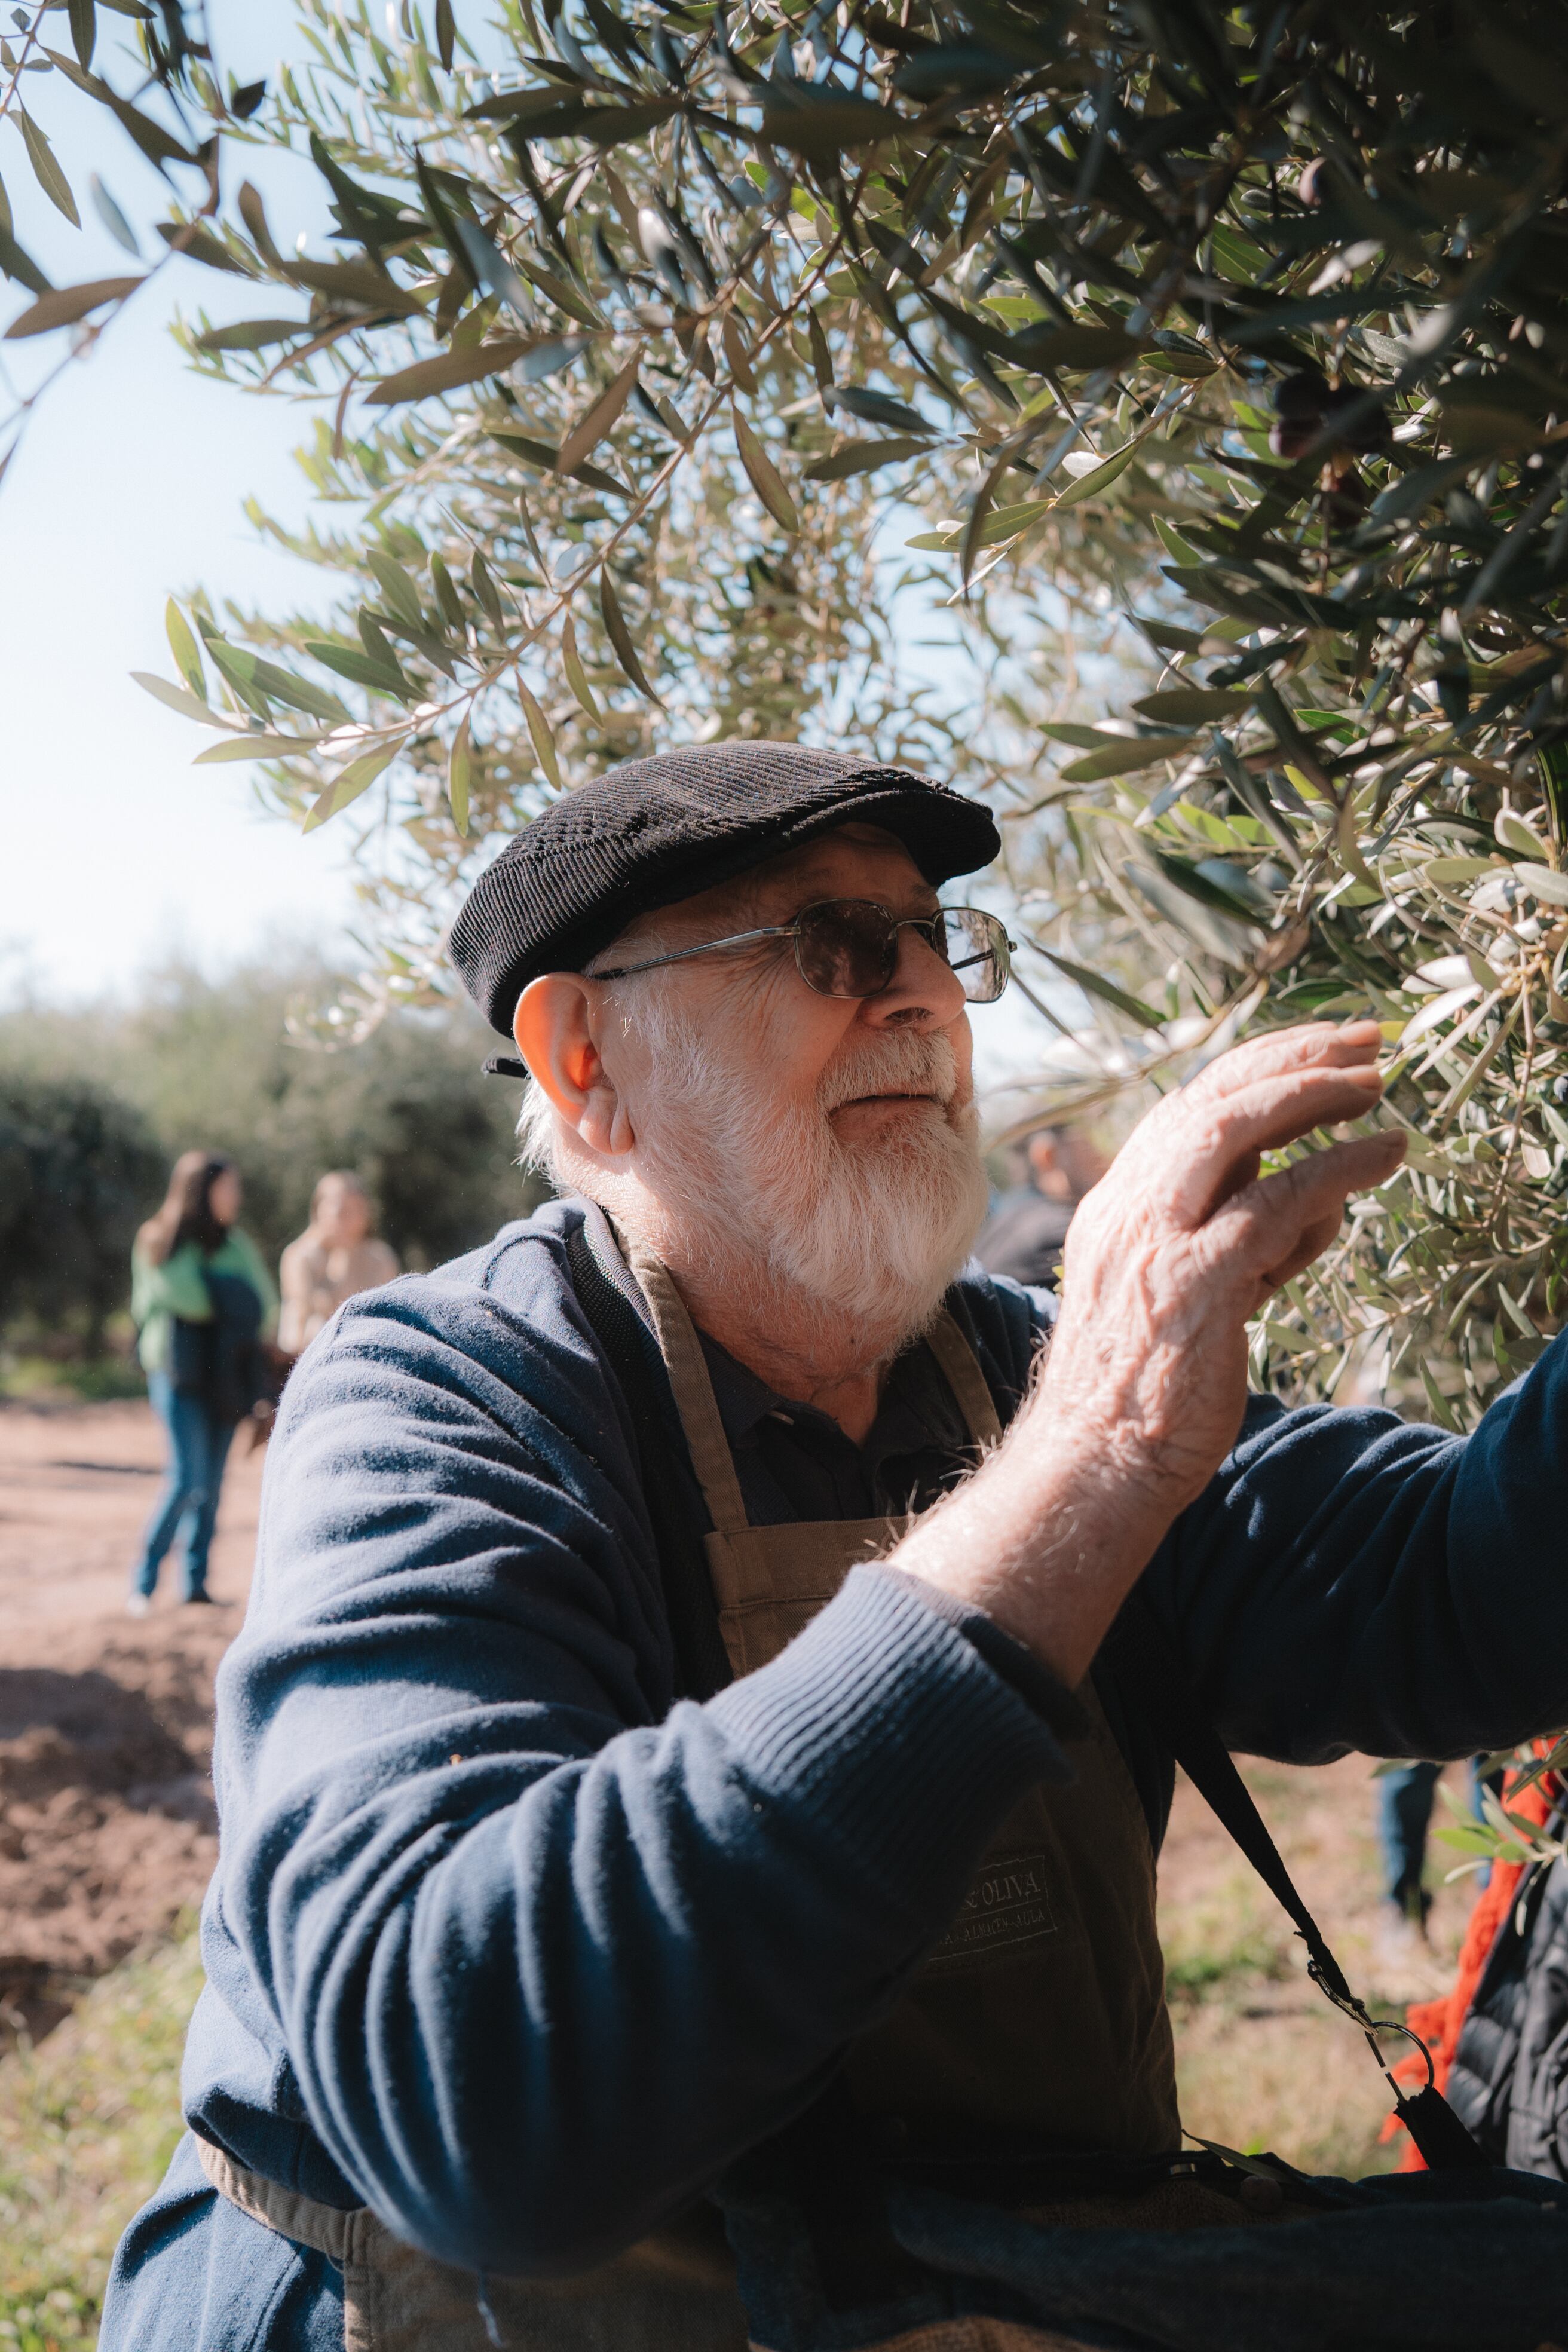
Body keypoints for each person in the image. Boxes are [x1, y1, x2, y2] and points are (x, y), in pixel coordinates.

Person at [102, 744, 1568, 2352]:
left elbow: (1457, 1588)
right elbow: (478, 2100)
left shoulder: (1020, 1361)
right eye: (836, 949)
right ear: (586, 1056)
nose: (926, 1001)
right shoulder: (447, 1403)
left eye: (941, 944)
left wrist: (1093, 1420)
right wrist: (1089, 1459)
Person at [127, 1150, 277, 1614]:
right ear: (202, 1188)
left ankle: (195, 1585)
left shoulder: (237, 1244)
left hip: (226, 1378)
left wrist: (226, 1295)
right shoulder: (158, 1239)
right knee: (186, 1480)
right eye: (229, 1186)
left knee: (211, 1486)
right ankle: (145, 1584)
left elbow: (266, 1303)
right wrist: (235, 1298)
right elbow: (183, 1297)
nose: (237, 1196)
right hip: (177, 1375)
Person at [277, 1171, 400, 1358]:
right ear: (319, 1209)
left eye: (356, 1208)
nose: (348, 1217)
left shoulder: (380, 1258)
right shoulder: (300, 1255)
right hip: (306, 1354)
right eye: (341, 1209)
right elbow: (310, 1311)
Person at [975, 1123, 1110, 1288]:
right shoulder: (1062, 1231)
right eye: (1092, 1140)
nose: (1105, 1156)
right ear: (1047, 1155)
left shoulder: (1004, 1218)